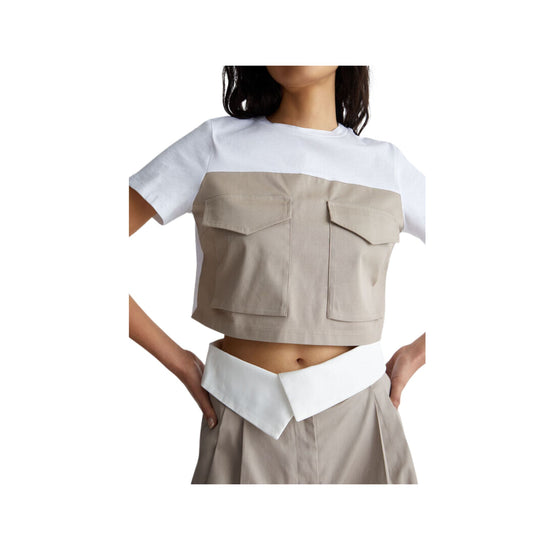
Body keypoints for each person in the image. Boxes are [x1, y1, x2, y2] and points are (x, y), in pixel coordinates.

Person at [129, 66, 426, 484]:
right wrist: (177, 361)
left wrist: (417, 353)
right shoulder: (214, 146)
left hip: (363, 423)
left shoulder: (386, 166)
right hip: (242, 416)